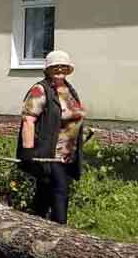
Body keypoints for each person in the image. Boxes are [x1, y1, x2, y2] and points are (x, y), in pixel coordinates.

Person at [16, 50, 86, 224]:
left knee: (45, 193)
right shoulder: (40, 90)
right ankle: (60, 231)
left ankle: (34, 226)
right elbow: (29, 120)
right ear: (47, 69)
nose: (59, 69)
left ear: (69, 69)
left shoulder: (69, 90)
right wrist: (28, 152)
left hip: (67, 154)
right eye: (55, 66)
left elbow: (71, 115)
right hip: (49, 153)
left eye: (63, 66)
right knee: (60, 190)